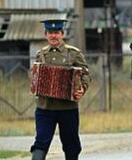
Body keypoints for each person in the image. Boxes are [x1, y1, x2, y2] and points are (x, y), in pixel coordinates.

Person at [30, 19, 91, 160]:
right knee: (40, 143)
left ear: (62, 34)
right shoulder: (41, 55)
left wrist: (82, 88)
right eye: (50, 33)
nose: (53, 36)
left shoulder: (74, 54)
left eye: (56, 32)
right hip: (45, 108)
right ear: (46, 35)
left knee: (71, 146)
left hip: (67, 108)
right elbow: (34, 75)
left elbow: (86, 75)